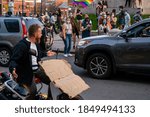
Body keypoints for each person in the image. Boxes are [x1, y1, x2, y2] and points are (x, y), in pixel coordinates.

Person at [9, 24, 55, 100]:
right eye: (40, 33)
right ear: (35, 34)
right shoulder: (22, 46)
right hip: (26, 73)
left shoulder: (36, 44)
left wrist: (47, 54)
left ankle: (49, 99)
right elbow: (13, 60)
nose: (41, 35)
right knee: (33, 92)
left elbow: (38, 54)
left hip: (36, 70)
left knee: (52, 81)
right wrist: (13, 69)